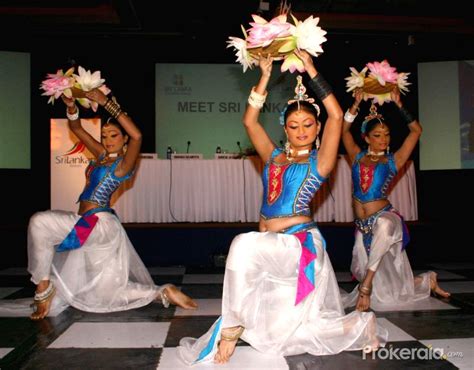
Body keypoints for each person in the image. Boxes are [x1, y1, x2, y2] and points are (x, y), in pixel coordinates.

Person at [177, 50, 387, 366]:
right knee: (285, 336)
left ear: (317, 128)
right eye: (293, 125)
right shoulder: (273, 157)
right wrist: (264, 76)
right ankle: (360, 324)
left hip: (298, 246)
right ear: (284, 128)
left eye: (307, 124)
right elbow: (249, 120)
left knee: (243, 244)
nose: (301, 130)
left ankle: (231, 328)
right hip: (272, 251)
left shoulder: (322, 162)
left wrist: (312, 69)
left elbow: (335, 114)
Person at [27, 87, 197, 320]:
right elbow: (76, 128)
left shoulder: (123, 165)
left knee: (40, 222)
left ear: (124, 138)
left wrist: (107, 103)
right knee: (105, 293)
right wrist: (70, 106)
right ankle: (162, 292)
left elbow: (138, 136)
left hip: (97, 224)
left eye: (114, 135)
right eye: (104, 136)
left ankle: (43, 290)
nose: (107, 140)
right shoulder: (100, 156)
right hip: (93, 226)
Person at [340, 88, 450, 312]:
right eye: (377, 135)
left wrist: (399, 104)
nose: (384, 139)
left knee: (384, 226)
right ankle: (425, 281)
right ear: (366, 138)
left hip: (385, 217)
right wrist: (355, 104)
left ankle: (366, 288)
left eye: (387, 134)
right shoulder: (357, 156)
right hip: (362, 226)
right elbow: (343, 131)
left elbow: (416, 131)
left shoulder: (393, 160)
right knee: (389, 292)